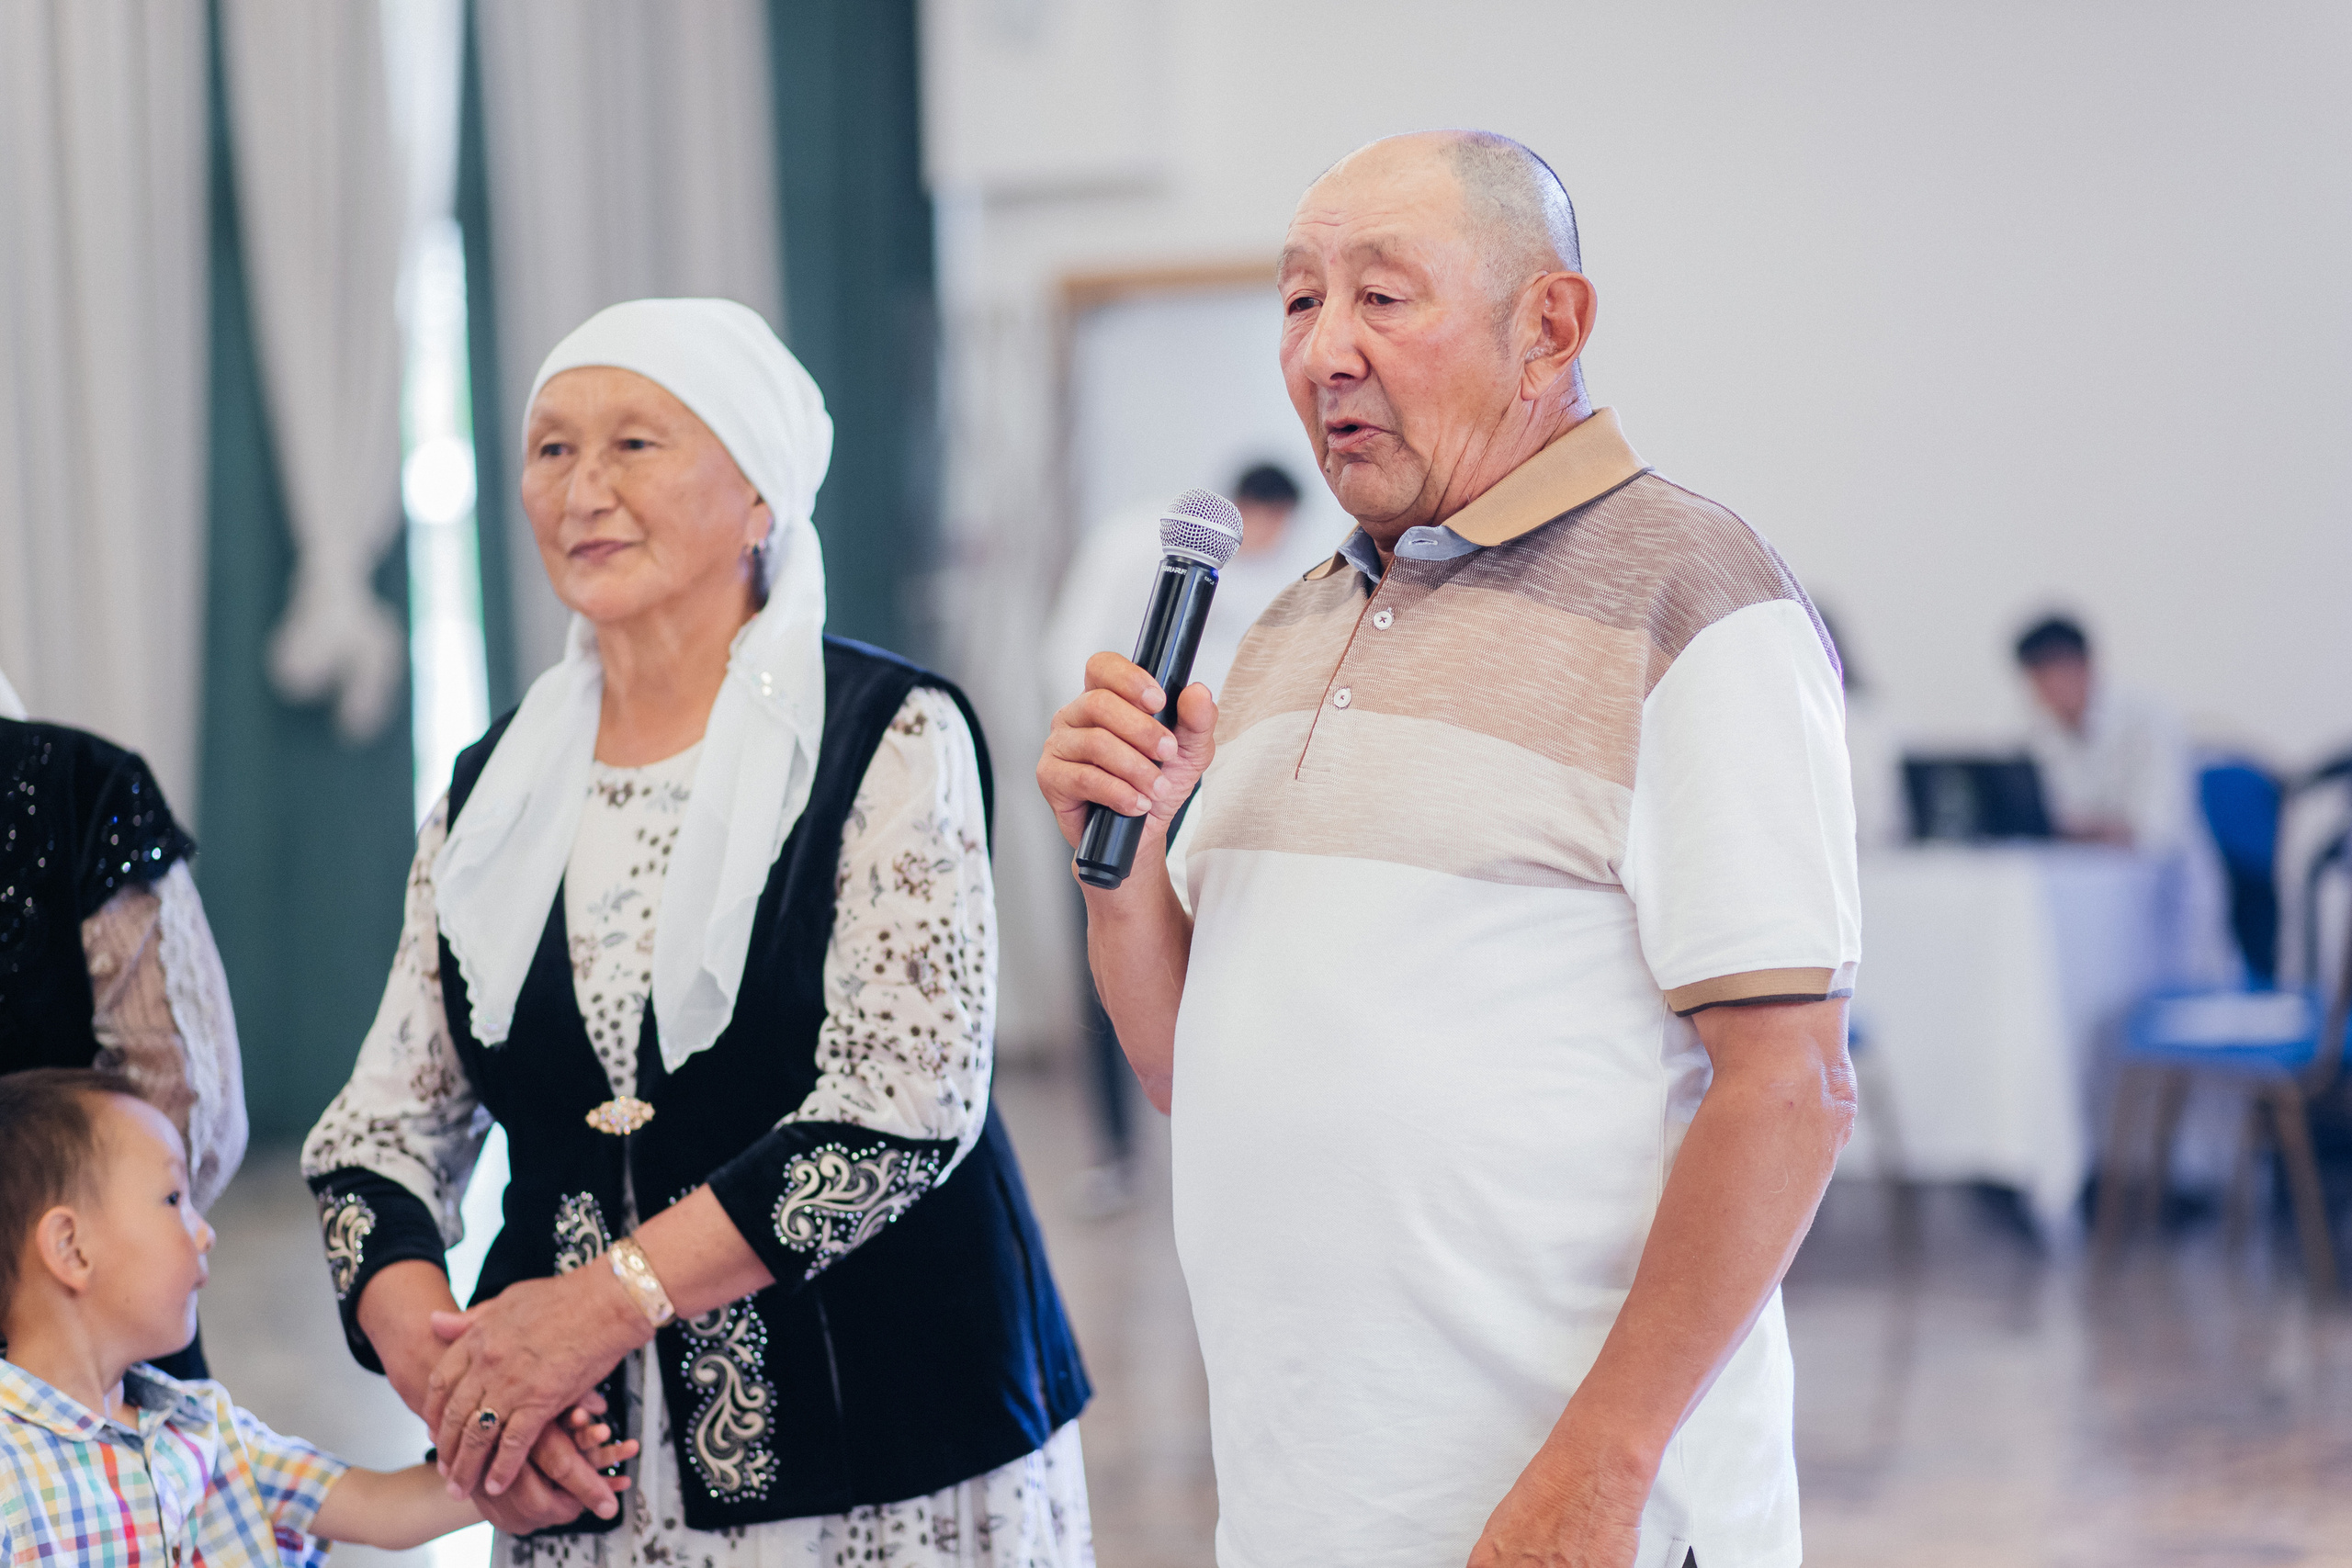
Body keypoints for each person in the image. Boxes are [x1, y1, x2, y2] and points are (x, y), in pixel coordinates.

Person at [1038, 131, 1861, 1567]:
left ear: (1551, 324)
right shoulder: (1290, 623)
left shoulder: (1698, 595)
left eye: (1383, 296)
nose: (1322, 353)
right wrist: (1126, 867)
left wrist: (1601, 1470)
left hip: (1569, 1510)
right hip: (1310, 1498)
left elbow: (1791, 1086)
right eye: (1298, 301)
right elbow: (1190, 1066)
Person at [302, 299, 1092, 1562]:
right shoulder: (491, 786)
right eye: (552, 448)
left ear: (762, 496)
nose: (583, 488)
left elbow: (904, 1106)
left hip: (880, 1431)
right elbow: (382, 1130)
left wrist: (594, 1310)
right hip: (587, 1464)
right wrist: (451, 1369)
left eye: (637, 444)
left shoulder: (887, 736)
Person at [0, 1068, 628, 1561]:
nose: (205, 1232)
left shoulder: (203, 1428)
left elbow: (384, 1507)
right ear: (70, 1248)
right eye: (172, 1198)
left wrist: (524, 1447)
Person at [1044, 462, 1332, 1213]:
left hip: (1221, 780)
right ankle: (1111, 1152)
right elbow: (1069, 645)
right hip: (1114, 770)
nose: (1269, 544)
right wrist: (1100, 735)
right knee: (1105, 943)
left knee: (1219, 953)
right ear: (1246, 508)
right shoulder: (1132, 545)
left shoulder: (1297, 571)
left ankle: (1218, 1142)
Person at [0, 669, 247, 1382]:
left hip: (78, 1352)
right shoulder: (75, 783)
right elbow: (188, 1119)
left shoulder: (73, 790)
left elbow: (184, 1117)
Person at [2016, 614, 2235, 980]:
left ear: (2083, 665)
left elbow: (2154, 834)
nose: (2044, 694)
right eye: (2035, 682)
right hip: (2088, 909)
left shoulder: (2149, 719)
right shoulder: (2036, 735)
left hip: (2169, 906)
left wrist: (2078, 831)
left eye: (2050, 675)